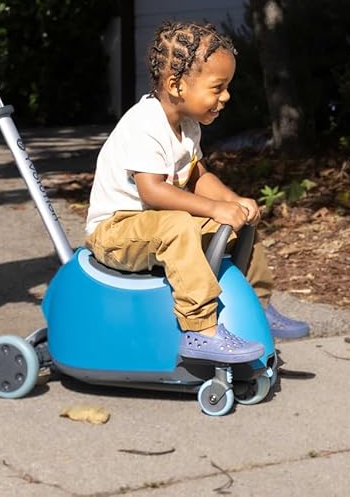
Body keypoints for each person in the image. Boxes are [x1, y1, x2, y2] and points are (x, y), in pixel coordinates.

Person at [85, 19, 311, 362]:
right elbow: (152, 192)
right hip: (116, 230)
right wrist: (213, 208)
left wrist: (232, 202)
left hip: (156, 226)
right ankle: (200, 330)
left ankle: (257, 306)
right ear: (176, 85)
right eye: (218, 88)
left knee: (239, 222)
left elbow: (197, 175)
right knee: (179, 225)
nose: (226, 96)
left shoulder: (188, 125)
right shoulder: (144, 124)